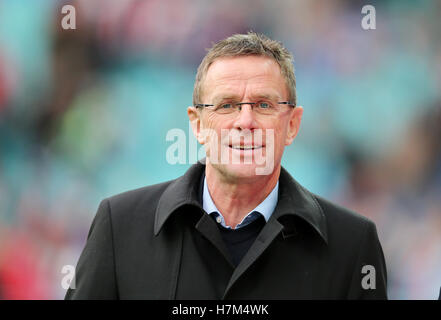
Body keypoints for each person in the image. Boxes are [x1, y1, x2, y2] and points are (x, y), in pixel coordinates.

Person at [65, 32, 387, 299]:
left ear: (292, 124)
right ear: (198, 124)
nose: (245, 121)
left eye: (263, 104)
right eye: (227, 105)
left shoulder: (352, 244)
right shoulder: (120, 229)